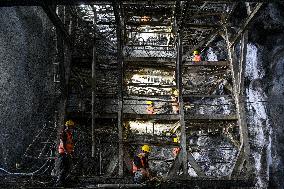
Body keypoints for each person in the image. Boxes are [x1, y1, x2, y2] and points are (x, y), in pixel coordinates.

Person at [55, 120, 75, 187]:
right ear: (68, 127)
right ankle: (59, 183)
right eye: (71, 127)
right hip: (63, 153)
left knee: (67, 168)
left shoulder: (70, 134)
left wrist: (71, 152)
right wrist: (66, 151)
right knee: (63, 168)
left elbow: (69, 144)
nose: (72, 128)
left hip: (67, 153)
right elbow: (63, 143)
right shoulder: (64, 133)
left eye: (72, 127)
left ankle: (64, 182)